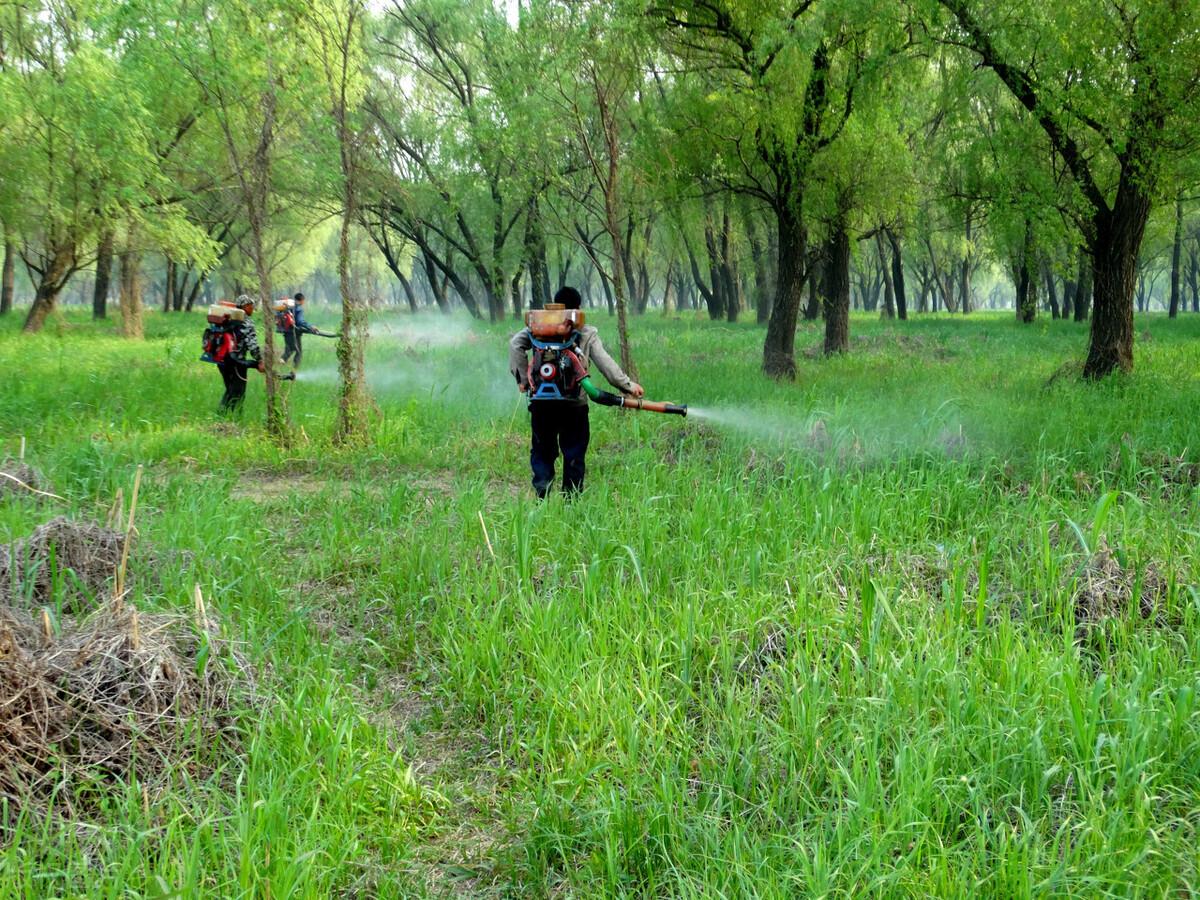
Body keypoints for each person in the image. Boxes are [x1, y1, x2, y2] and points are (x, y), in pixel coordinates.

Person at [509, 286, 643, 498]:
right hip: (575, 406)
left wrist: (523, 381)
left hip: (541, 405)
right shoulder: (586, 332)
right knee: (574, 452)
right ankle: (571, 502)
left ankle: (541, 496)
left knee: (543, 452)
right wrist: (627, 386)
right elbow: (605, 364)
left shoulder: (536, 329)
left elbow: (515, 344)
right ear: (578, 308)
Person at [218, 295, 262, 414]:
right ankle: (234, 418)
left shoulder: (228, 319)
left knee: (230, 389)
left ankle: (222, 415)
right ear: (245, 306)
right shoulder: (246, 322)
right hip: (237, 362)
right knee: (239, 392)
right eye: (251, 306)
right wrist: (260, 360)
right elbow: (252, 345)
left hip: (222, 361)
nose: (253, 309)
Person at [283, 292, 322, 369]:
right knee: (298, 352)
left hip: (286, 331)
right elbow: (300, 321)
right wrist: (311, 327)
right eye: (304, 300)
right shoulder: (299, 308)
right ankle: (295, 369)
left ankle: (282, 360)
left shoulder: (289, 307)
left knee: (289, 349)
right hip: (295, 332)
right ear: (301, 300)